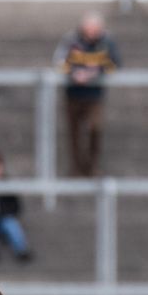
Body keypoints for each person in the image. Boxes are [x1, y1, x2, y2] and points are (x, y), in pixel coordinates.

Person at [53, 13, 120, 178]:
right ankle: (75, 168)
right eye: (89, 29)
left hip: (94, 96)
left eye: (95, 29)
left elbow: (116, 64)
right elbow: (59, 62)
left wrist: (95, 72)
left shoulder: (107, 42)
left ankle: (92, 166)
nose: (91, 33)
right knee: (74, 133)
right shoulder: (71, 41)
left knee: (95, 129)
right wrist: (74, 74)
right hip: (73, 94)